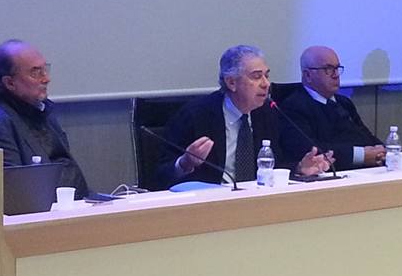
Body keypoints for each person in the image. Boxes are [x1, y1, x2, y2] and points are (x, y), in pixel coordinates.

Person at [156, 45, 332, 189]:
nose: (266, 84)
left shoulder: (267, 113)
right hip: (210, 204)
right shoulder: (196, 114)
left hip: (255, 200)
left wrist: (300, 168)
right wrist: (185, 163)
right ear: (231, 82)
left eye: (266, 76)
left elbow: (271, 165)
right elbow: (159, 175)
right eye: (256, 77)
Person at [0, 39, 89, 196]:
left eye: (45, 69)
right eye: (35, 72)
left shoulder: (42, 109)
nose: (46, 79)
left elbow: (66, 165)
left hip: (78, 202)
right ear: (10, 83)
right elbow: (17, 195)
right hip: (48, 208)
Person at [278, 46, 385, 170]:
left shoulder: (344, 102)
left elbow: (364, 135)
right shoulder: (293, 107)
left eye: (337, 68)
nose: (336, 75)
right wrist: (361, 156)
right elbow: (310, 150)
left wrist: (381, 150)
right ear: (307, 75)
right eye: (328, 69)